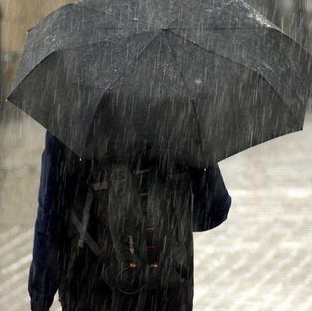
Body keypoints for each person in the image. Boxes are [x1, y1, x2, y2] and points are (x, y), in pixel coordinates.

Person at [29, 132, 232, 311]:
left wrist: (41, 296)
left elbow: (50, 220)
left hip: (91, 288)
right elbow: (216, 208)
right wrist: (163, 220)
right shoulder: (181, 113)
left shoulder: (73, 114)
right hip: (167, 287)